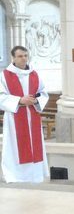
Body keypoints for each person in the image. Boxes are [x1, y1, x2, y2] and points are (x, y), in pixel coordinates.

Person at [0, 46, 49, 183]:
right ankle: (16, 176)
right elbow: (1, 96)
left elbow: (43, 93)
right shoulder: (5, 75)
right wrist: (20, 100)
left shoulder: (34, 74)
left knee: (34, 145)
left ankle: (35, 175)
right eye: (20, 56)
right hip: (14, 117)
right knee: (15, 147)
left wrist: (36, 100)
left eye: (26, 55)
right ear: (13, 58)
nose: (24, 59)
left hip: (32, 114)